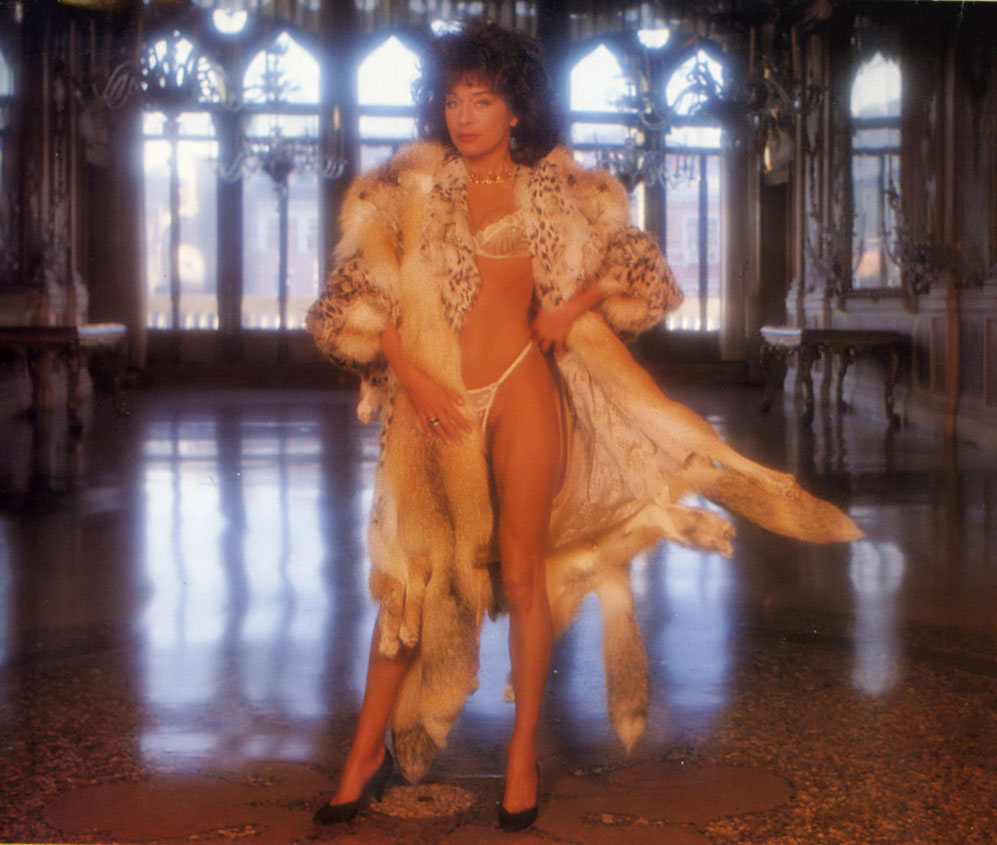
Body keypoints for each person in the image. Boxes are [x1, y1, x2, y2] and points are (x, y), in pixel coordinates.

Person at [307, 19, 861, 833]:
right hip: (436, 402)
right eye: (453, 100)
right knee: (413, 579)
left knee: (525, 574)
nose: (464, 116)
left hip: (524, 390)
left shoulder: (558, 191)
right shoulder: (407, 190)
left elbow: (647, 276)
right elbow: (348, 305)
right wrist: (413, 375)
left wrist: (575, 303)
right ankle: (363, 754)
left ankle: (521, 754)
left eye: (482, 100)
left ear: (516, 109)